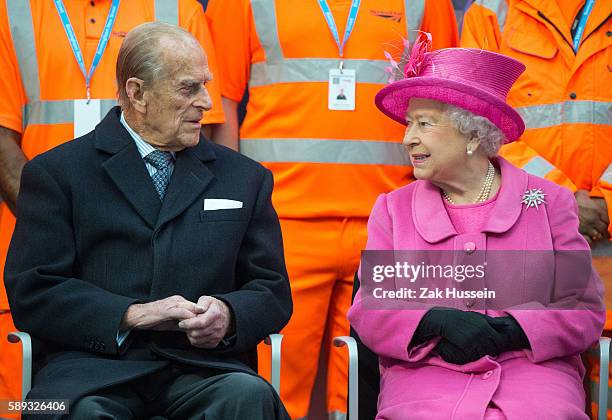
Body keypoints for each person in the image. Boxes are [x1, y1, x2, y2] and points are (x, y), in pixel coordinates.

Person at [4, 22, 292, 419]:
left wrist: (227, 315)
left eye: (206, 85)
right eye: (189, 88)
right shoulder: (58, 173)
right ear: (137, 93)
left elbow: (272, 290)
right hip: (89, 372)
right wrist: (130, 314)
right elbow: (33, 292)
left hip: (204, 369)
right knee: (76, 413)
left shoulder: (246, 178)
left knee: (247, 395)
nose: (208, 102)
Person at [206, 1, 459, 417]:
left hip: (389, 224)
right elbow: (221, 101)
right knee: (273, 383)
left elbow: (443, 100)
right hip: (282, 222)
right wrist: (235, 211)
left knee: (373, 389)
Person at [347, 42, 605, 418]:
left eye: (424, 123)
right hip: (425, 377)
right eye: (408, 124)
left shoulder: (550, 203)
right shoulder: (393, 209)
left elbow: (582, 308)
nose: (407, 139)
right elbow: (371, 309)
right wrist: (434, 321)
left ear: (472, 135)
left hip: (534, 376)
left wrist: (516, 330)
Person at [460, 0, 611, 249]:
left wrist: (608, 201)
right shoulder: (491, 10)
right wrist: (558, 198)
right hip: (522, 235)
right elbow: (474, 122)